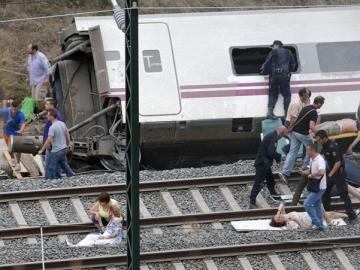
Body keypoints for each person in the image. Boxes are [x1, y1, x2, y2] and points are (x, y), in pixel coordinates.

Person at [315, 130, 358, 223]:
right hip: (331, 172)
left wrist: (330, 174)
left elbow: (338, 163)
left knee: (343, 194)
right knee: (325, 193)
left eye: (319, 140)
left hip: (338, 173)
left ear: (324, 138)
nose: (318, 142)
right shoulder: (325, 145)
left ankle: (352, 216)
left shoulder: (333, 146)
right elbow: (322, 156)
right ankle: (328, 212)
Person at [281, 96, 325, 179]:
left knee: (292, 152)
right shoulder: (314, 112)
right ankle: (305, 167)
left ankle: (285, 172)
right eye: (322, 104)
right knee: (311, 149)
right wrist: (319, 134)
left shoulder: (306, 107)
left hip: (294, 132)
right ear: (319, 103)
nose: (322, 105)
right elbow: (311, 126)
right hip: (303, 134)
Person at [249, 125, 288, 208]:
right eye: (284, 135)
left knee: (271, 180)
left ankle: (274, 195)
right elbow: (271, 152)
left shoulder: (271, 135)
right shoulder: (274, 138)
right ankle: (252, 201)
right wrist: (278, 156)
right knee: (259, 183)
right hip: (263, 164)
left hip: (264, 163)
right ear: (281, 133)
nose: (283, 137)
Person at [261, 40, 297, 119]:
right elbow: (293, 65)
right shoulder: (288, 52)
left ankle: (270, 112)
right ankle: (286, 114)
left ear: (276, 45)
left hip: (274, 76)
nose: (272, 48)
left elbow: (267, 63)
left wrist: (264, 72)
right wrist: (289, 71)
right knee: (287, 95)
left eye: (273, 46)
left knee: (273, 93)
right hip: (284, 75)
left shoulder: (273, 52)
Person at [291, 166, 360, 206]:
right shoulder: (306, 175)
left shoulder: (323, 169)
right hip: (316, 192)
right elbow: (299, 189)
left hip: (327, 189)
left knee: (346, 186)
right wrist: (293, 205)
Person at [38, 109, 73, 179]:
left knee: (50, 165)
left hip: (56, 150)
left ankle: (50, 179)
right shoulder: (62, 124)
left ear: (51, 117)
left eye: (48, 115)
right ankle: (70, 175)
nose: (47, 117)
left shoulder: (52, 127)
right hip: (64, 149)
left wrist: (42, 149)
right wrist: (69, 144)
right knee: (63, 164)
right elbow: (67, 134)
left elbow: (48, 139)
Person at [270, 202, 347, 229]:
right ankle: (329, 222)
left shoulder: (284, 216)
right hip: (311, 219)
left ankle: (347, 215)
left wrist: (278, 212)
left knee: (330, 213)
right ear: (280, 223)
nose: (280, 216)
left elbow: (282, 204)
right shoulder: (289, 224)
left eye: (278, 216)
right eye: (279, 219)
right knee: (327, 213)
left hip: (309, 214)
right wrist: (295, 220)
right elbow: (303, 228)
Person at [303, 143, 327, 231]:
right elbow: (311, 170)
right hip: (314, 186)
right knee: (317, 205)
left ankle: (316, 222)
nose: (306, 152)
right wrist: (304, 172)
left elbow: (321, 172)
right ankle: (321, 226)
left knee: (307, 204)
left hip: (319, 187)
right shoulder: (312, 159)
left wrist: (312, 175)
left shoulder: (319, 160)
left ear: (312, 150)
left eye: (307, 150)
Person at [0, 100, 26, 171]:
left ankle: (18, 163)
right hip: (7, 133)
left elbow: (23, 123)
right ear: (11, 107)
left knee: (17, 149)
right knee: (9, 149)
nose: (14, 111)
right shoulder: (5, 111)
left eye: (16, 109)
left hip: (16, 134)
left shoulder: (20, 114)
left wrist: (21, 130)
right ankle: (12, 159)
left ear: (18, 108)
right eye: (13, 109)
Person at [42, 99, 65, 175]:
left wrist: (50, 143)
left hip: (52, 144)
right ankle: (56, 178)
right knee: (53, 163)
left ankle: (50, 179)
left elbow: (58, 131)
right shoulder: (51, 114)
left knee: (49, 163)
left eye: (47, 104)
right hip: (50, 143)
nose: (45, 105)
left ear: (52, 105)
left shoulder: (57, 116)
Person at [27, 44, 51, 108]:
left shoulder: (41, 56)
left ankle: (47, 113)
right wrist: (28, 77)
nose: (28, 50)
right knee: (34, 100)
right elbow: (29, 67)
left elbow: (48, 67)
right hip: (33, 81)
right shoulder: (29, 57)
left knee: (39, 99)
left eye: (29, 49)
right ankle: (40, 115)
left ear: (34, 50)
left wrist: (47, 78)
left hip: (41, 80)